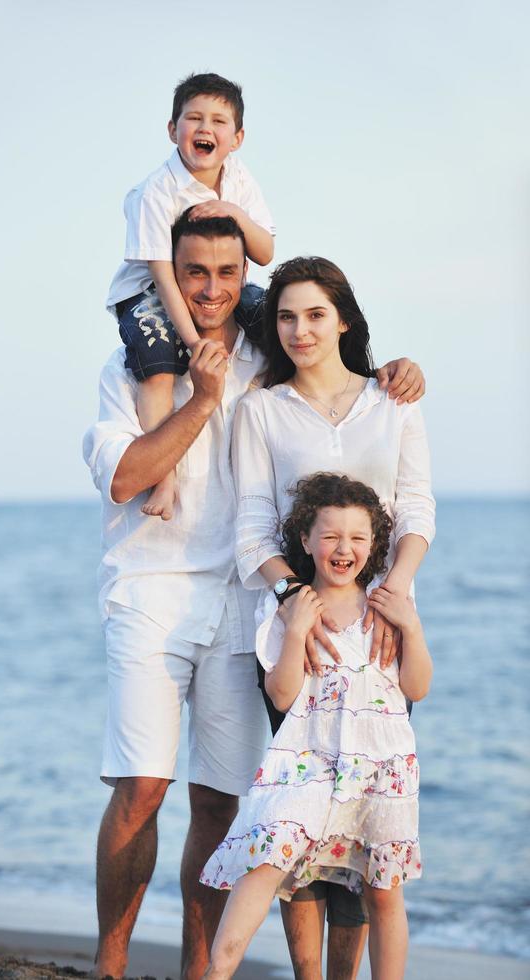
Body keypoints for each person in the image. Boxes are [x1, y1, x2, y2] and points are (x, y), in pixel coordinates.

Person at [83, 213, 425, 980]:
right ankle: (108, 967)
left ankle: (198, 974)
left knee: (222, 801)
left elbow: (334, 366)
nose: (210, 289)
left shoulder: (269, 351)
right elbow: (126, 479)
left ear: (246, 281)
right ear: (169, 275)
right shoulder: (135, 366)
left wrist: (396, 370)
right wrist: (202, 399)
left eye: (226, 273)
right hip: (153, 587)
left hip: (245, 603)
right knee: (141, 786)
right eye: (192, 272)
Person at [229, 255, 436, 979]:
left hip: (380, 631)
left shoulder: (395, 399)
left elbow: (416, 506)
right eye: (286, 316)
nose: (299, 329)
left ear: (343, 318)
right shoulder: (260, 409)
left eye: (316, 314)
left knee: (370, 816)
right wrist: (296, 605)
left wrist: (398, 594)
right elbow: (252, 528)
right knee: (299, 814)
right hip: (299, 632)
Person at [200, 473, 433, 980]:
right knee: (266, 859)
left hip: (380, 768)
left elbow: (416, 687)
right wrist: (298, 629)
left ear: (374, 546)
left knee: (383, 890)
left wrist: (412, 627)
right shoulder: (288, 608)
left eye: (356, 537)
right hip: (306, 763)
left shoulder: (389, 606)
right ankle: (216, 972)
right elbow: (281, 694)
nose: (343, 548)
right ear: (305, 540)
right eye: (329, 536)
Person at [106, 71, 274, 521]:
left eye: (219, 121)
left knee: (277, 318)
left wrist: (234, 212)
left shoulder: (239, 180)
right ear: (171, 129)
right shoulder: (156, 192)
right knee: (158, 361)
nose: (205, 128)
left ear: (237, 138)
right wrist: (196, 342)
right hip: (148, 292)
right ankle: (165, 474)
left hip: (211, 286)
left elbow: (264, 251)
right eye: (193, 118)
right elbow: (163, 276)